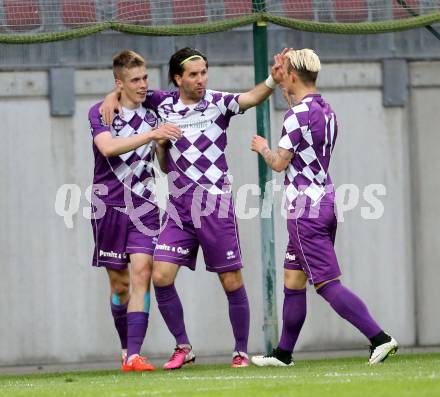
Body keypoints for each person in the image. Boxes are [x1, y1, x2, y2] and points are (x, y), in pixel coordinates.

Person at [100, 47, 284, 369]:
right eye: (194, 75)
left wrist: (272, 79)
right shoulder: (163, 103)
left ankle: (240, 351)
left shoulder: (217, 102)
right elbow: (132, 87)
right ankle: (183, 346)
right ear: (177, 79)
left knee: (231, 280)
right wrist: (110, 98)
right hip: (179, 207)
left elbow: (252, 98)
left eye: (204, 73)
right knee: (161, 276)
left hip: (214, 204)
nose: (201, 80)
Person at [250, 49, 398, 367]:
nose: (281, 74)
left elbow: (279, 163)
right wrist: (281, 82)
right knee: (293, 280)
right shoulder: (325, 110)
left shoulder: (295, 116)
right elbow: (302, 136)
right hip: (325, 202)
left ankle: (380, 338)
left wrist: (262, 148)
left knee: (327, 284)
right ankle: (284, 354)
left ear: (292, 75)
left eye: (284, 71)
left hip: (305, 211)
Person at [88, 50, 181, 372]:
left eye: (144, 78)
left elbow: (164, 167)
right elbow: (108, 148)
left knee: (143, 272)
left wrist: (161, 147)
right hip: (108, 206)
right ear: (119, 83)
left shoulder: (155, 110)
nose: (142, 85)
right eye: (134, 80)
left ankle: (134, 357)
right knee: (120, 285)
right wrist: (152, 134)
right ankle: (125, 347)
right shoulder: (100, 112)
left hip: (145, 205)